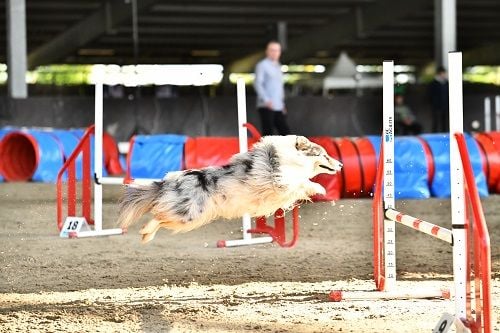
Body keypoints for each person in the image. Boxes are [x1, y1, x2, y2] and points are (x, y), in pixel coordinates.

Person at [253, 40, 291, 136]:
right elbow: (258, 83)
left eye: (277, 50)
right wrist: (266, 100)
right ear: (267, 51)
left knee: (285, 132)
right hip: (266, 106)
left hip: (278, 106)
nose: (275, 53)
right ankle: (266, 151)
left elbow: (279, 87)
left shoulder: (278, 66)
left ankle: (284, 151)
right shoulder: (262, 65)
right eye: (272, 50)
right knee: (268, 133)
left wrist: (282, 104)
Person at [429, 66, 449, 133]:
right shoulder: (433, 83)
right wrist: (433, 102)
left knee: (444, 120)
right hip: (436, 105)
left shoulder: (446, 83)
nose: (445, 74)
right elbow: (430, 94)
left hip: (444, 104)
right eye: (443, 73)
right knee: (436, 120)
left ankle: (444, 133)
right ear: (440, 73)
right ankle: (434, 133)